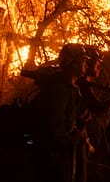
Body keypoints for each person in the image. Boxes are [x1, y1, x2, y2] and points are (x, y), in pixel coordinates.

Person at [32, 42, 88, 182]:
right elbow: (55, 128)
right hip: (54, 155)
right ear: (72, 63)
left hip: (63, 152)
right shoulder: (59, 90)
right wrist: (73, 138)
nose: (85, 65)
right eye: (83, 61)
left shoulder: (72, 89)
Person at [75, 45, 110, 182]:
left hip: (79, 137)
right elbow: (99, 108)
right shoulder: (82, 86)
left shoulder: (81, 84)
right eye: (97, 65)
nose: (99, 68)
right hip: (74, 140)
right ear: (87, 65)